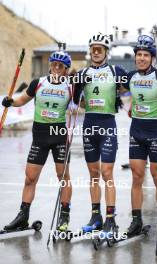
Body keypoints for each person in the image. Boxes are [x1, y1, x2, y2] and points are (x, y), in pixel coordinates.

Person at [2, 50, 73, 232]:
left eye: (61, 66)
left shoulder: (71, 86)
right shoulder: (38, 83)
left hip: (59, 136)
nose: (56, 68)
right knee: (30, 178)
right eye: (54, 64)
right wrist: (10, 102)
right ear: (50, 65)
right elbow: (22, 100)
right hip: (40, 136)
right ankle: (23, 216)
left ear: (66, 69)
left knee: (63, 177)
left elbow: (84, 102)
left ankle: (64, 218)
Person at [73, 33, 127, 235]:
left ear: (106, 52)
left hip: (107, 125)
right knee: (93, 174)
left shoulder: (116, 70)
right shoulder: (82, 72)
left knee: (106, 173)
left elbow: (135, 84)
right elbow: (73, 100)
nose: (96, 52)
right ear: (90, 51)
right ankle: (96, 216)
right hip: (89, 125)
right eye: (93, 49)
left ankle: (111, 219)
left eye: (100, 49)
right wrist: (77, 85)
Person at [123, 35, 157, 238]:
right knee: (136, 176)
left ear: (151, 57)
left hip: (155, 132)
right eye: (139, 55)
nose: (142, 58)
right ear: (135, 57)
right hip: (136, 132)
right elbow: (122, 94)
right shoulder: (130, 77)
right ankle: (136, 221)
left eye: (146, 55)